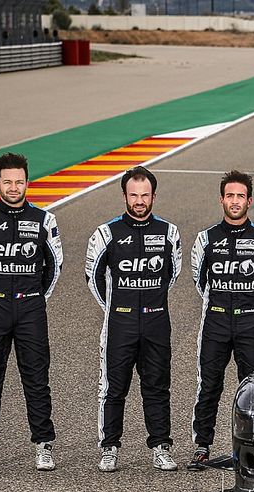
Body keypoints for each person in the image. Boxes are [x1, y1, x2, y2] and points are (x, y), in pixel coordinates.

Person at [0, 152, 64, 471]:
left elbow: (55, 266)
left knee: (36, 377)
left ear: (27, 183)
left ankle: (44, 445)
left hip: (31, 306)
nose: (14, 187)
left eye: (19, 181)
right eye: (8, 182)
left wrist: (34, 297)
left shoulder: (45, 219)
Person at [85, 166, 182, 472]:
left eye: (145, 195)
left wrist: (150, 301)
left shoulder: (169, 232)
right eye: (133, 195)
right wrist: (116, 307)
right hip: (120, 323)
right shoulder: (106, 233)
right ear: (124, 196)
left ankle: (160, 446)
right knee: (114, 388)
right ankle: (109, 447)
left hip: (156, 321)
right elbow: (93, 277)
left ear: (153, 196)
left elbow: (173, 274)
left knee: (157, 386)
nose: (139, 201)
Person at [188, 170, 254, 470]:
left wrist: (245, 305)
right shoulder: (206, 238)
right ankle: (202, 445)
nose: (235, 201)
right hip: (215, 321)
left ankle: (252, 449)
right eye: (230, 196)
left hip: (250, 321)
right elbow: (199, 281)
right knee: (209, 385)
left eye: (240, 196)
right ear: (222, 200)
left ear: (249, 201)